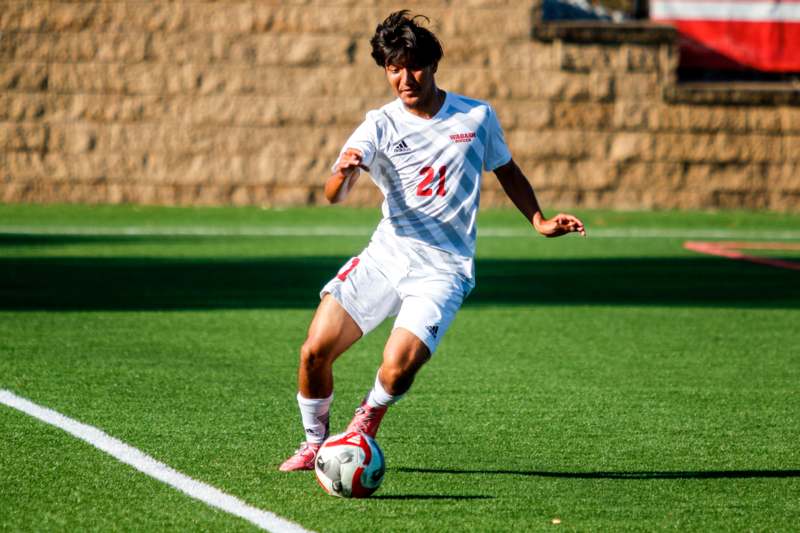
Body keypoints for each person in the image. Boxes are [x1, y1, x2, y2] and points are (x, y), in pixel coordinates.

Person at [279, 10, 586, 471]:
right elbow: (334, 194)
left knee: (398, 365)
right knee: (313, 350)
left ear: (434, 63)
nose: (405, 77)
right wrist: (343, 175)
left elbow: (507, 169)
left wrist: (539, 220)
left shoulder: (477, 116)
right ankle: (313, 443)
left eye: (414, 65)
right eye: (393, 68)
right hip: (386, 255)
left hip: (443, 268)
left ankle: (366, 420)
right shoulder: (378, 124)